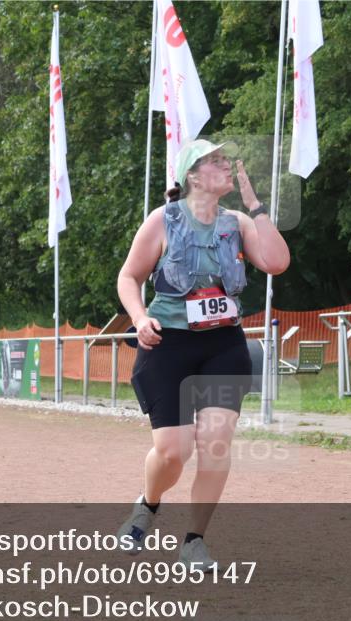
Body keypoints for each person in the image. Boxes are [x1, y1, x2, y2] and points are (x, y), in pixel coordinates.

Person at [115, 139, 290, 571]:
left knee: (215, 443)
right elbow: (129, 276)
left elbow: (276, 262)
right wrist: (139, 319)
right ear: (193, 176)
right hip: (167, 343)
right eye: (214, 161)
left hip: (223, 344)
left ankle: (194, 541)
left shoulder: (238, 223)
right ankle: (148, 504)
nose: (225, 165)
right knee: (174, 451)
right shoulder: (163, 220)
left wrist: (257, 206)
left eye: (225, 160)